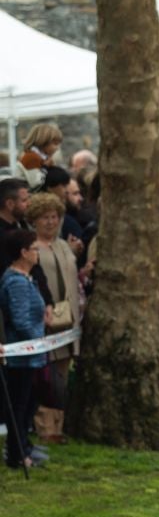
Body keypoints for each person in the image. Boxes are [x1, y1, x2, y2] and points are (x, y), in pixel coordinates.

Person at [27, 193, 80, 443]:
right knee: (45, 373)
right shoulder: (31, 247)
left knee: (62, 372)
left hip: (69, 318)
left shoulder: (63, 246)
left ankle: (59, 424)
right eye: (45, 217)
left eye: (54, 217)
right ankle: (45, 426)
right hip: (45, 318)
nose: (50, 222)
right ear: (34, 220)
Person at [1, 231, 47, 470]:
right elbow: (21, 321)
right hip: (21, 357)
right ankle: (17, 454)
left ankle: (21, 447)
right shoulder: (16, 282)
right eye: (35, 248)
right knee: (19, 405)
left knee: (27, 404)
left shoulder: (27, 279)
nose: (38, 253)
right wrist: (38, 340)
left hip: (32, 355)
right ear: (23, 252)